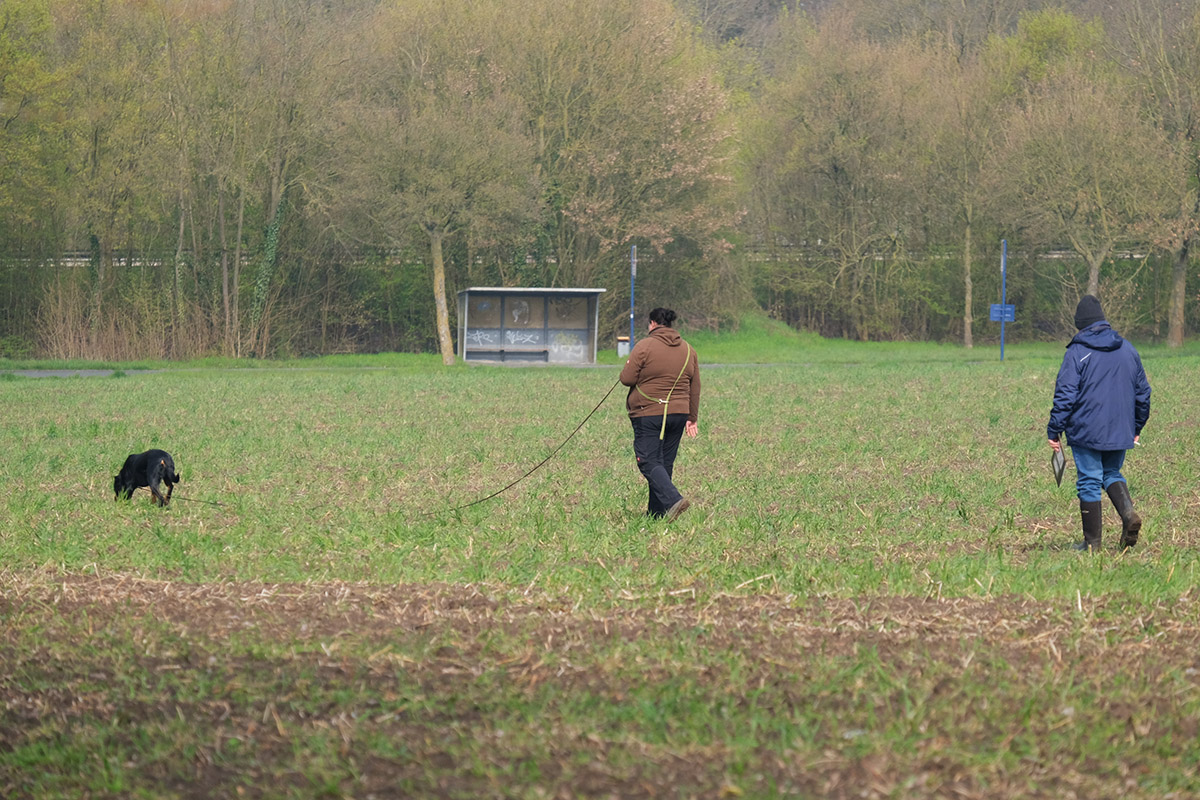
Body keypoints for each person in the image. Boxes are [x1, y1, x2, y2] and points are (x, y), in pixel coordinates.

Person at [1047, 295, 1151, 552]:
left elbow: (1065, 394)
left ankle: (1091, 544)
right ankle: (1128, 516)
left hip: (1086, 430)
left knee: (1089, 480)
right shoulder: (1128, 349)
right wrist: (1136, 427)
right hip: (1120, 429)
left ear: (1079, 324)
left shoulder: (1077, 352)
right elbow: (1143, 393)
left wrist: (1054, 429)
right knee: (1111, 473)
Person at [619, 307, 701, 522]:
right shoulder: (688, 350)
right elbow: (695, 386)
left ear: (653, 324)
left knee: (647, 460)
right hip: (679, 414)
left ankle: (674, 500)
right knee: (663, 463)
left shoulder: (645, 346)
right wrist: (692, 417)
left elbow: (627, 378)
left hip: (649, 412)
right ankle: (657, 514)